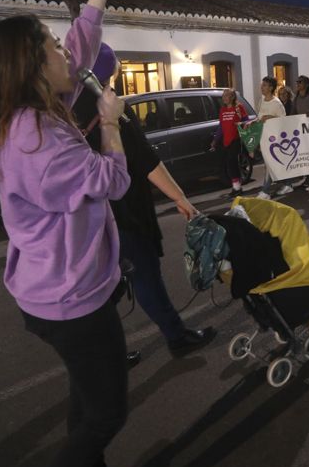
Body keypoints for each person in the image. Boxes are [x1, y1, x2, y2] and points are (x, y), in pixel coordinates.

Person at [0, 0, 151, 467]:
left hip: (59, 291)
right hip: (71, 300)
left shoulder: (32, 110)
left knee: (85, 401)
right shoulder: (38, 139)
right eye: (50, 47)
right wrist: (111, 127)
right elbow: (113, 181)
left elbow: (80, 48)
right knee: (106, 415)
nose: (62, 51)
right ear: (32, 66)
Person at [74, 45, 216, 364]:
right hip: (126, 214)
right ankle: (176, 336)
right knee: (145, 274)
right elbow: (146, 162)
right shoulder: (111, 113)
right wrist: (180, 198)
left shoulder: (66, 113)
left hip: (91, 215)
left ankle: (106, 352)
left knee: (106, 287)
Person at [252, 76, 293, 199]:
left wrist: (270, 118)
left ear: (271, 88)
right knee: (274, 163)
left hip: (275, 139)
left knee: (269, 164)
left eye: (264, 85)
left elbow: (283, 120)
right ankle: (288, 184)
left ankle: (265, 191)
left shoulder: (277, 103)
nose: (262, 87)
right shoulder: (262, 100)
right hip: (264, 136)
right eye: (262, 85)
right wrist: (253, 122)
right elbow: (260, 117)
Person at [211, 88, 249, 196]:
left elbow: (246, 121)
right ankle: (236, 187)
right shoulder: (222, 110)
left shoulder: (238, 107)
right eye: (223, 96)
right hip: (226, 141)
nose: (224, 98)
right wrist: (215, 140)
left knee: (232, 162)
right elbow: (221, 127)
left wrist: (242, 124)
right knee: (229, 163)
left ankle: (237, 188)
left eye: (226, 95)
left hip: (236, 139)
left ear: (232, 97)